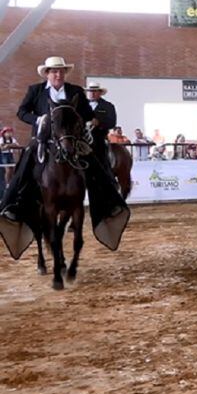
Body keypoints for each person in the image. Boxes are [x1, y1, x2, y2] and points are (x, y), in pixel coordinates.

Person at [0, 56, 129, 254]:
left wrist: (87, 121)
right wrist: (38, 119)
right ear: (47, 74)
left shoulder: (75, 91)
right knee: (24, 166)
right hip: (43, 139)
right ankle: (12, 206)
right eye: (53, 71)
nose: (58, 74)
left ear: (64, 73)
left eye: (60, 71)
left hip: (71, 139)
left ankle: (109, 203)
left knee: (95, 164)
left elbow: (86, 113)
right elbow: (21, 112)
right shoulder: (35, 91)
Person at [86, 82, 117, 171]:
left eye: (95, 91)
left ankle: (107, 174)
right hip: (83, 137)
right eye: (90, 91)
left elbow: (112, 123)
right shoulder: (81, 105)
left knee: (103, 157)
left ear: (99, 92)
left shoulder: (108, 106)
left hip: (99, 137)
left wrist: (99, 123)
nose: (92, 93)